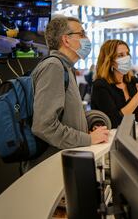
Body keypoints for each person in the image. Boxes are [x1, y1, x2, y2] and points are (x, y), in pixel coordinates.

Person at [25, 16, 109, 171]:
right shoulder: (53, 67)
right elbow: (44, 126)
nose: (86, 39)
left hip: (62, 161)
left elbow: (66, 115)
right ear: (66, 40)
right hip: (49, 167)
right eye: (81, 34)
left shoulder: (66, 68)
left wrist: (91, 124)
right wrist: (88, 139)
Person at [91, 39, 138, 129]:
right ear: (110, 61)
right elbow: (115, 121)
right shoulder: (100, 85)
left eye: (127, 54)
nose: (126, 58)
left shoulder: (132, 81)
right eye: (120, 55)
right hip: (108, 137)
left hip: (127, 134)